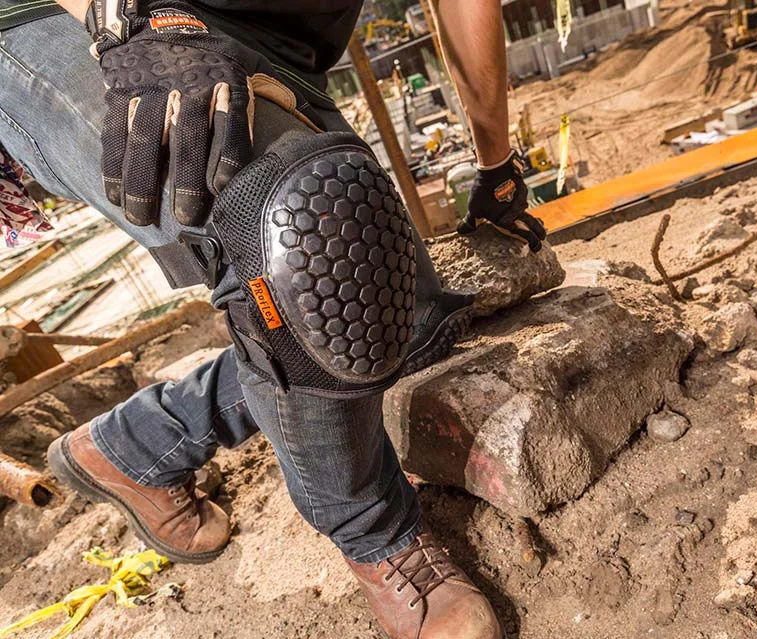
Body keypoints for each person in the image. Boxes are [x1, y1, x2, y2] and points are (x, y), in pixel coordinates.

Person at [0, 0, 547, 637]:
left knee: (404, 313)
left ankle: (142, 443)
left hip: (265, 51)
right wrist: (122, 21)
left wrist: (495, 164)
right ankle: (378, 539)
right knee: (295, 236)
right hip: (67, 22)